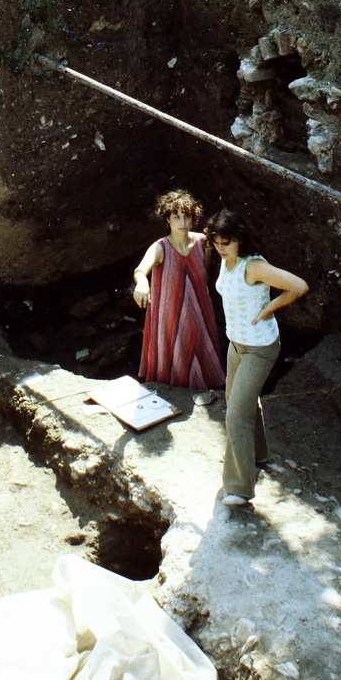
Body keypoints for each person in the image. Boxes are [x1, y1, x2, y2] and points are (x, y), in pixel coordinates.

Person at [205, 208, 308, 506]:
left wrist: (271, 307)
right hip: (236, 344)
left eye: (226, 242)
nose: (220, 248)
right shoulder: (226, 260)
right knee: (239, 401)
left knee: (236, 414)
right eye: (216, 243)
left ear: (239, 239)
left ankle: (239, 487)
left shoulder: (254, 267)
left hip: (260, 348)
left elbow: (299, 286)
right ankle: (258, 455)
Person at [132, 189, 226, 391]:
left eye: (187, 217)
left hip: (200, 311)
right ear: (167, 219)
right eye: (176, 217)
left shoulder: (203, 242)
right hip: (170, 315)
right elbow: (140, 270)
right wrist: (142, 282)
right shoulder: (160, 247)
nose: (182, 223)